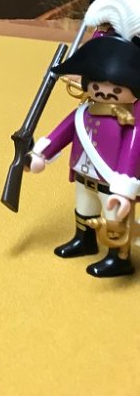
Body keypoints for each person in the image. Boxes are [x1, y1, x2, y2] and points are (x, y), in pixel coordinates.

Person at [28, 34, 140, 278]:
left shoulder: (130, 121)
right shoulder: (83, 113)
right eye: (97, 87)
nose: (105, 93)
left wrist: (125, 189)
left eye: (116, 89)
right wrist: (40, 155)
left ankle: (118, 257)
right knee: (84, 209)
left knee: (114, 220)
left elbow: (132, 152)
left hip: (111, 181)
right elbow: (61, 133)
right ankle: (84, 240)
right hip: (83, 174)